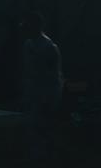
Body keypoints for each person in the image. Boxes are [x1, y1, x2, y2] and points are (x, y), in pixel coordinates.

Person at [18, 11, 62, 161]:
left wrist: (47, 96)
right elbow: (27, 71)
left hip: (46, 92)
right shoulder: (28, 44)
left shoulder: (48, 47)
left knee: (43, 126)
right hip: (33, 90)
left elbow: (52, 74)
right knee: (34, 126)